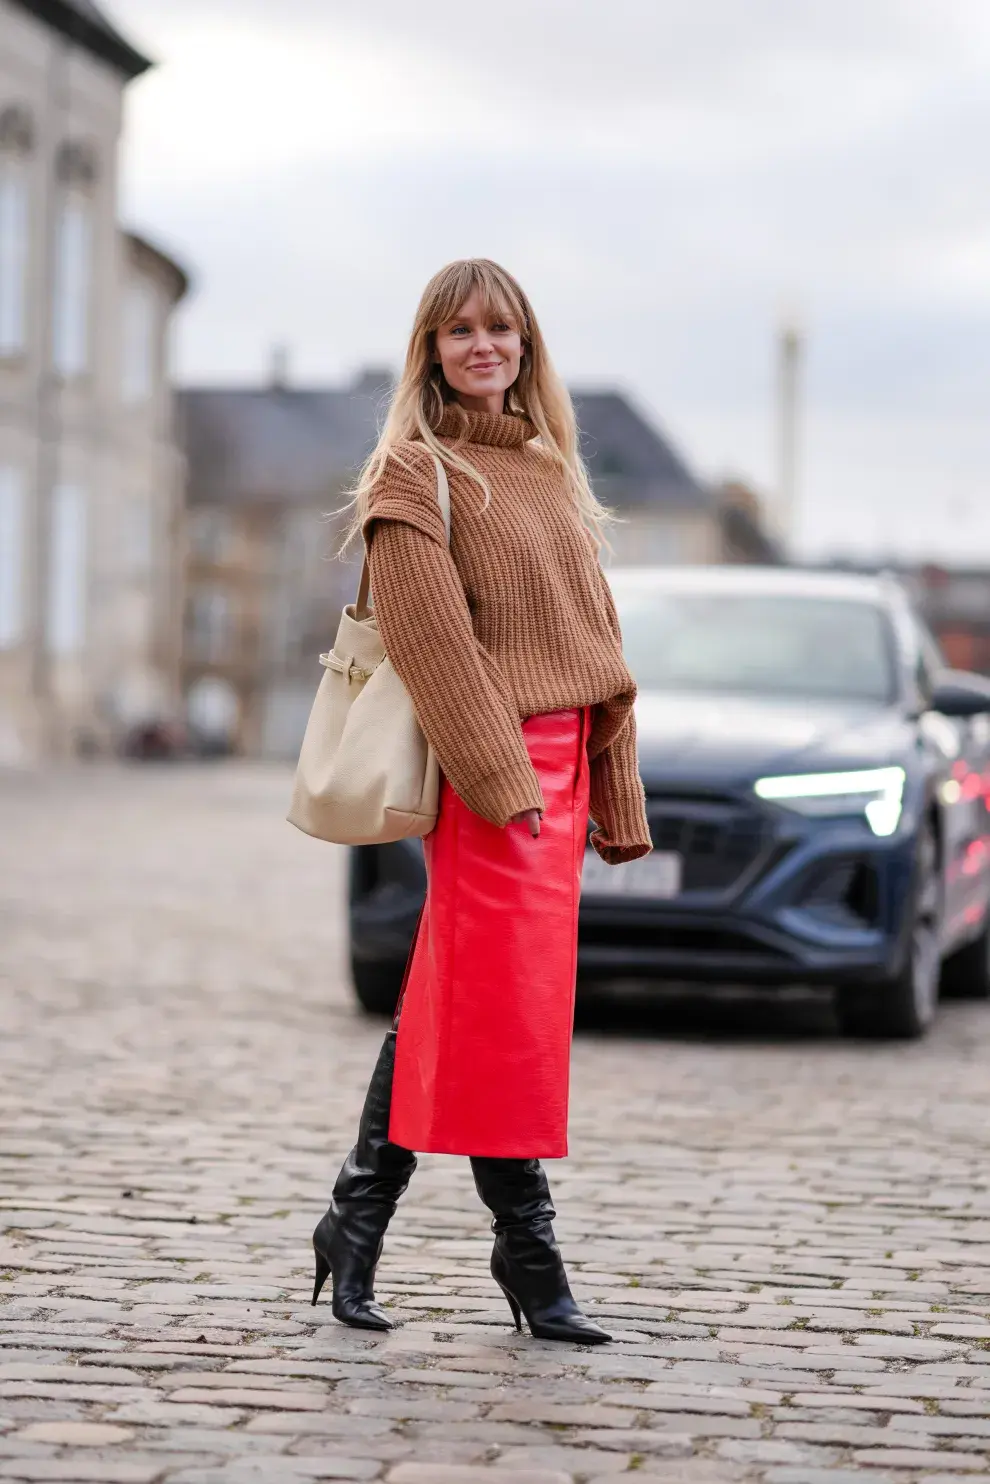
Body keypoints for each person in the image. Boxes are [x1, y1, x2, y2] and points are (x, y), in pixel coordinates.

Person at [312, 258, 652, 1344]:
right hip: (488, 772)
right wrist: (501, 778)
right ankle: (530, 1252)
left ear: (526, 348)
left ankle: (355, 1217)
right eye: (459, 330)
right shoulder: (415, 477)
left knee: (468, 996)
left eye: (500, 328)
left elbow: (597, 647)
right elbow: (433, 643)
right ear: (432, 351)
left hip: (556, 769)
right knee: (502, 1010)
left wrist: (613, 783)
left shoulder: (553, 474)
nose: (482, 345)